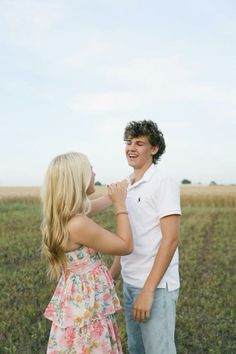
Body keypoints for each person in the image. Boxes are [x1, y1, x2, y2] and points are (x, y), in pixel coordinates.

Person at [41, 152, 132, 354]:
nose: (94, 173)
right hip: (88, 312)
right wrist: (120, 206)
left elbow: (103, 201)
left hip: (80, 306)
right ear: (78, 179)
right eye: (90, 169)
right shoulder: (79, 224)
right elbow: (125, 246)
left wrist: (126, 183)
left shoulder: (67, 217)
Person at [110, 120, 181, 354]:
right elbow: (128, 236)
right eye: (128, 142)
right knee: (136, 349)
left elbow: (170, 239)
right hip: (131, 283)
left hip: (155, 287)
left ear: (154, 149)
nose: (131, 148)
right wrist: (113, 275)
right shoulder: (126, 185)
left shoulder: (162, 182)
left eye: (139, 143)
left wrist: (148, 291)